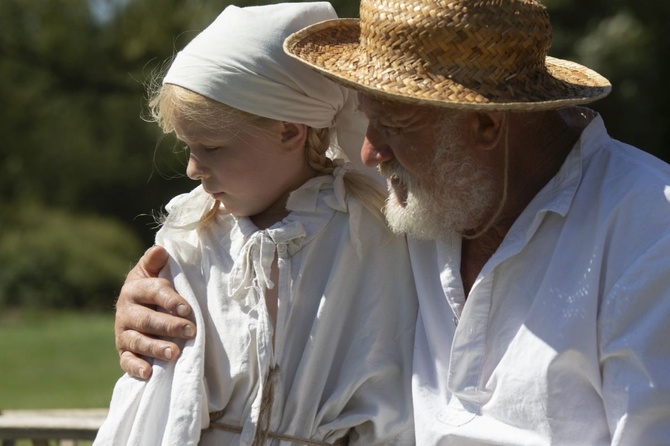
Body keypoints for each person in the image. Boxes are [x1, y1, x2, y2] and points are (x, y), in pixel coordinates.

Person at [114, 0, 670, 444]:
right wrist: (151, 291)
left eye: (395, 124)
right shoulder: (423, 200)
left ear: (485, 124)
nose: (368, 152)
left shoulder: (648, 230)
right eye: (365, 117)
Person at [95, 3, 418, 445]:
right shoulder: (193, 240)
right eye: (188, 147)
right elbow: (158, 404)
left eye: (210, 146)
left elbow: (398, 398)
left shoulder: (374, 235)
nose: (192, 168)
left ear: (289, 131)